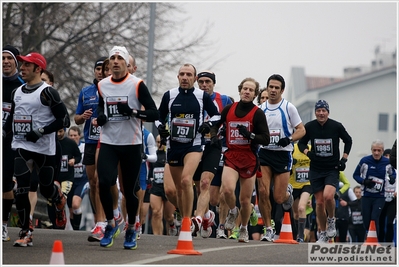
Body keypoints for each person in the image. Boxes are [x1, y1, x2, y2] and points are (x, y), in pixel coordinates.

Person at [93, 45, 158, 249]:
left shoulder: (136, 84)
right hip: (109, 142)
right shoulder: (102, 85)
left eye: (119, 58)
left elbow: (154, 113)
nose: (115, 61)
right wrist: (100, 117)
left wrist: (133, 112)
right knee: (103, 182)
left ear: (126, 63)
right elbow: (100, 107)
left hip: (131, 143)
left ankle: (131, 228)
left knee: (130, 191)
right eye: (112, 58)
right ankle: (111, 223)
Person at [3, 52, 70, 246]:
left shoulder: (47, 92)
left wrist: (41, 131)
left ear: (38, 69)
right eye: (21, 64)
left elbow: (64, 120)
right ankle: (26, 232)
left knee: (46, 188)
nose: (22, 68)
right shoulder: (17, 91)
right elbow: (12, 118)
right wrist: (4, 132)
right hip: (21, 145)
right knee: (22, 189)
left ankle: (58, 199)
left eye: (26, 65)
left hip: (44, 148)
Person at [155, 63, 220, 238]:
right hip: (174, 145)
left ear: (194, 78)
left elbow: (217, 114)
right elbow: (158, 117)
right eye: (182, 74)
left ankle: (187, 223)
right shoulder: (170, 95)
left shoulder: (201, 96)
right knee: (178, 189)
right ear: (178, 77)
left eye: (188, 74)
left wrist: (208, 124)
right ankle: (188, 217)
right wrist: (161, 127)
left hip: (194, 145)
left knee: (186, 180)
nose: (185, 77)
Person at [210, 77, 270, 243]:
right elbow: (215, 123)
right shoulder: (229, 109)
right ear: (240, 90)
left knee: (245, 200)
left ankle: (243, 228)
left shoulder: (257, 113)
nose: (247, 92)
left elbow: (266, 138)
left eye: (251, 90)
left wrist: (250, 135)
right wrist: (214, 135)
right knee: (227, 190)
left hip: (249, 158)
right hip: (231, 154)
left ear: (254, 94)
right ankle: (232, 211)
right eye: (245, 88)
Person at [257, 74, 306, 242]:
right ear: (267, 87)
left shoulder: (288, 107)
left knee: (278, 197)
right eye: (270, 86)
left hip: (283, 154)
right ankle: (268, 229)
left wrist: (290, 138)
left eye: (276, 88)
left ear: (282, 90)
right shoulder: (261, 109)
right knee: (263, 191)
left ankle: (288, 194)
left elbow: (301, 130)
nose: (273, 90)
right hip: (264, 153)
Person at [297, 99, 352, 243]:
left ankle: (331, 220)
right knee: (319, 203)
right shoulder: (309, 126)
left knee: (329, 197)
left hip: (331, 169)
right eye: (318, 111)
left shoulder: (336, 126)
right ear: (315, 112)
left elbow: (348, 140)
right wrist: (308, 153)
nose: (321, 113)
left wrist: (344, 159)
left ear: (328, 112)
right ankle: (322, 232)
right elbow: (301, 142)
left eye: (324, 111)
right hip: (316, 169)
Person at [191, 70, 233, 238]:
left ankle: (199, 218)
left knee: (205, 183)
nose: (204, 85)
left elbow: (232, 121)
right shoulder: (192, 98)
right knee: (198, 187)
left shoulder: (224, 100)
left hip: (215, 146)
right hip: (195, 146)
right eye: (201, 82)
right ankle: (208, 216)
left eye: (208, 82)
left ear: (213, 84)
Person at [74, 56, 108, 241]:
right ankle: (100, 221)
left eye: (104, 69)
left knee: (100, 179)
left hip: (109, 142)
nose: (101, 72)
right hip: (90, 141)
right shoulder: (86, 92)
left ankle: (104, 221)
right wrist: (83, 116)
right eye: (98, 69)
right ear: (94, 71)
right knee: (93, 182)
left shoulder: (113, 90)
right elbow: (76, 118)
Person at [2, 45, 25, 242]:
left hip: (11, 142)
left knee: (5, 184)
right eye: (2, 58)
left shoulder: (20, 85)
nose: (5, 62)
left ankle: (3, 224)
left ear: (16, 62)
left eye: (9, 58)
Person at [353, 139, 396, 241]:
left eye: (379, 150)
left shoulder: (387, 162)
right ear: (371, 150)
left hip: (380, 196)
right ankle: (368, 236)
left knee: (375, 217)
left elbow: (392, 173)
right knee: (366, 219)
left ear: (382, 151)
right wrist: (364, 181)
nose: (376, 153)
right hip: (367, 195)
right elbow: (355, 175)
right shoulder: (365, 161)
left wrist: (392, 178)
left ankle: (376, 240)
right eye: (374, 150)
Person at [47, 128, 81, 229]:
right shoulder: (50, 142)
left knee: (61, 199)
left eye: (61, 131)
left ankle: (64, 222)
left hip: (67, 178)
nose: (58, 134)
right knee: (50, 200)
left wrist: (74, 160)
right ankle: (54, 224)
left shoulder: (70, 143)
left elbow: (78, 156)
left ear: (64, 131)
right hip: (54, 177)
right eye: (57, 131)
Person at [149, 135, 177, 235]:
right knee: (156, 212)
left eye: (161, 141)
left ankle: (172, 225)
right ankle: (157, 236)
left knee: (169, 216)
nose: (159, 144)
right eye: (157, 142)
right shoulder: (153, 155)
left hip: (167, 187)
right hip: (156, 187)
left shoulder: (169, 155)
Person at [68, 126, 90, 230]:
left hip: (82, 179)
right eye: (71, 135)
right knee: (71, 209)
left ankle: (77, 230)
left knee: (76, 204)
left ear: (79, 136)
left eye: (75, 135)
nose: (73, 138)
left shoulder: (85, 147)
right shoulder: (65, 147)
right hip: (70, 180)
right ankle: (74, 230)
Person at [290, 143, 312, 242]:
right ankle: (295, 234)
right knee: (296, 214)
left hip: (307, 184)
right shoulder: (292, 148)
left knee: (301, 208)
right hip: (293, 184)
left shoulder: (311, 149)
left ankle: (301, 236)